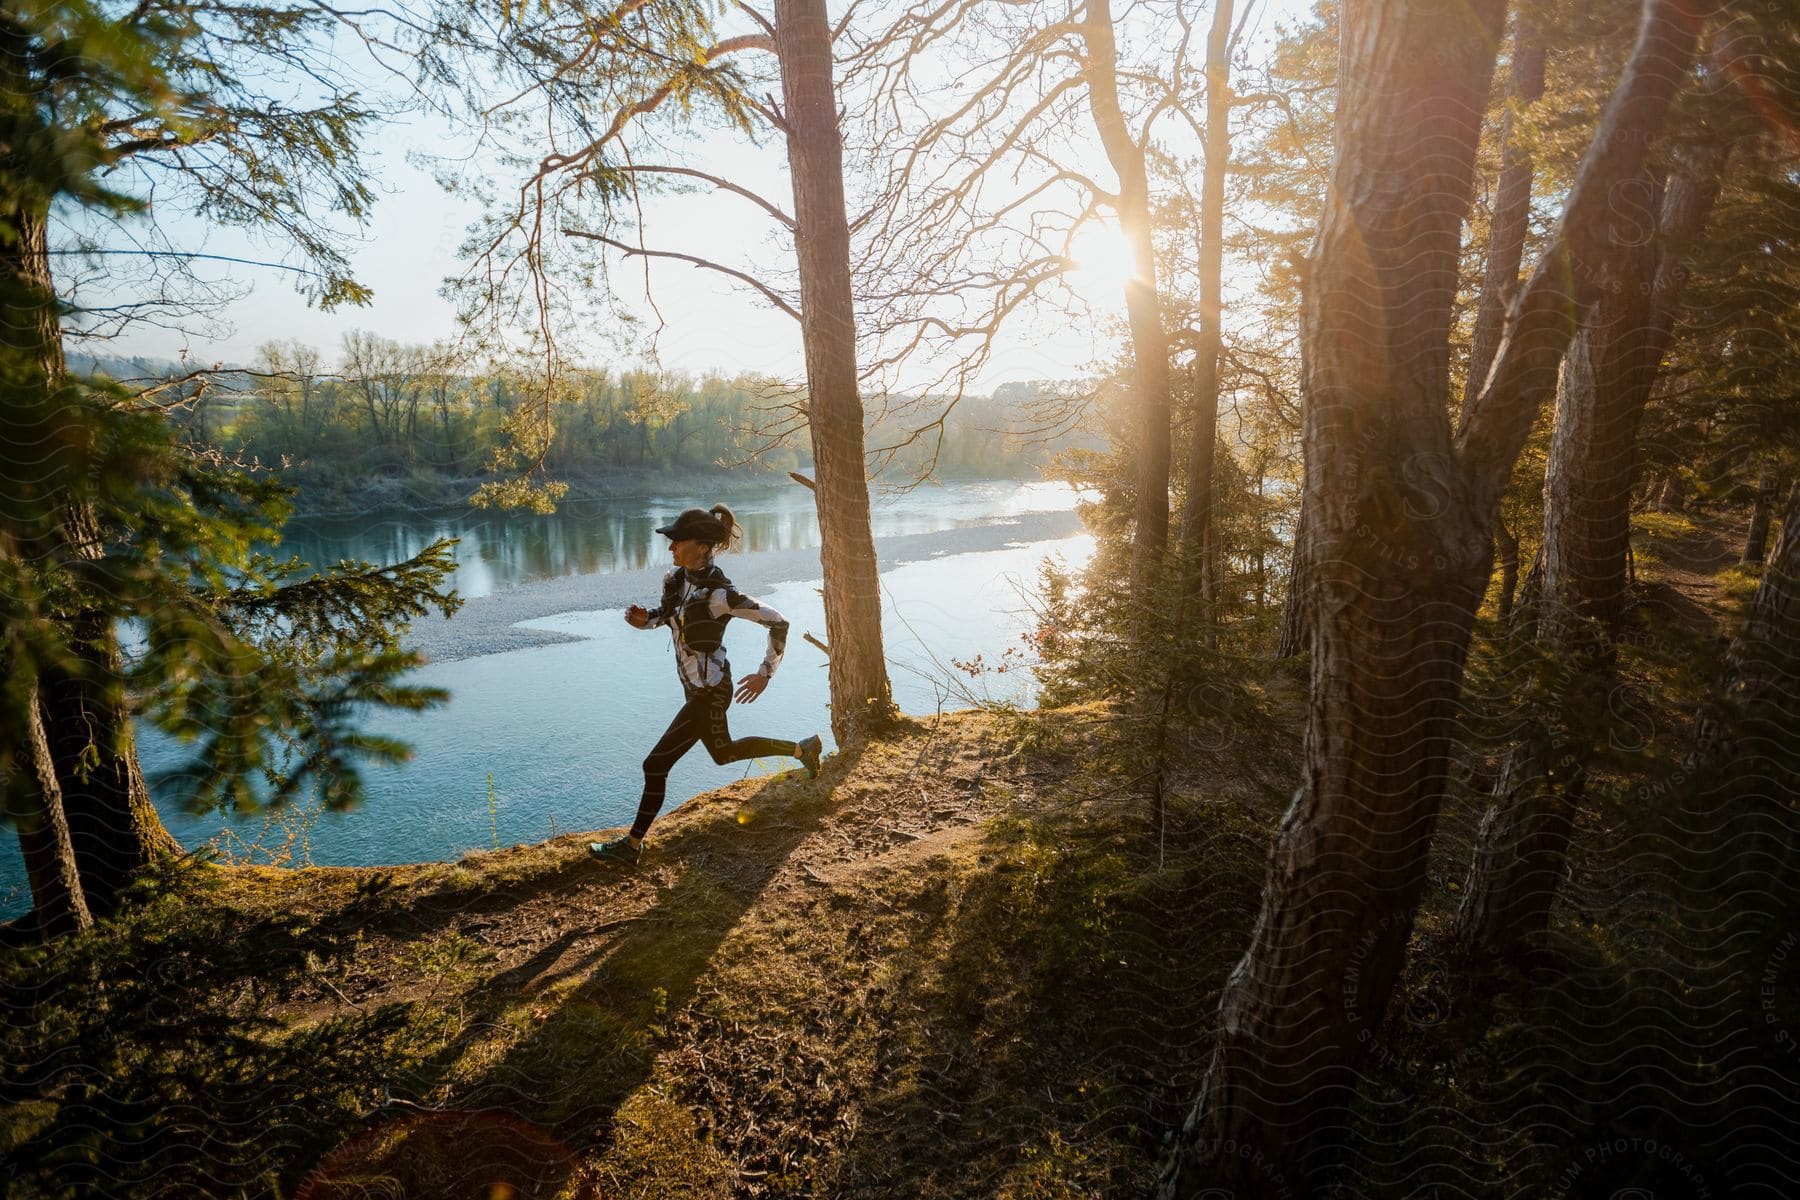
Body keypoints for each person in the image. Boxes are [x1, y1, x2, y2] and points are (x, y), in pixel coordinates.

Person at [588, 503, 823, 866]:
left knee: (655, 764)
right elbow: (667, 617)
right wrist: (643, 620)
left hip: (712, 692)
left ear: (700, 546)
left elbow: (779, 622)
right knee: (723, 753)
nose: (670, 547)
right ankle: (802, 750)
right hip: (695, 691)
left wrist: (765, 672)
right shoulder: (677, 582)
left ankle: (631, 847)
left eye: (677, 541)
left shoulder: (720, 595)